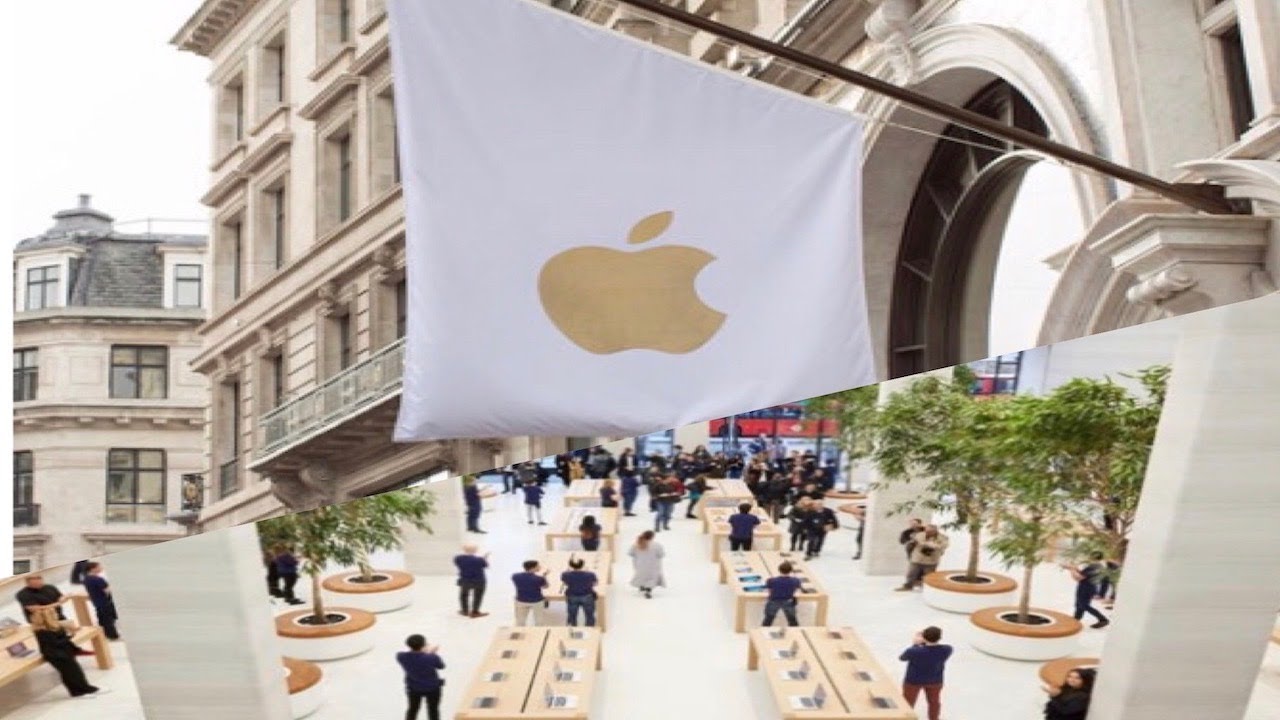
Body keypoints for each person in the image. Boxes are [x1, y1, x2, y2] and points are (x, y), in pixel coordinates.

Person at [30, 608, 104, 698]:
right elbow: (56, 643)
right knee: (69, 673)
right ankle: (77, 692)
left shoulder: (54, 626)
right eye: (54, 614)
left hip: (64, 651)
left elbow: (61, 638)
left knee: (76, 671)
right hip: (56, 655)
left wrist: (70, 633)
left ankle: (86, 688)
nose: (57, 615)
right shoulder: (42, 631)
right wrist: (70, 635)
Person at [899, 626, 952, 720]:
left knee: (908, 702)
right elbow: (933, 649)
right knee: (934, 702)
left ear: (924, 637)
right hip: (935, 680)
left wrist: (915, 644)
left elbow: (902, 658)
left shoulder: (913, 651)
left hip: (913, 681)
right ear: (939, 638)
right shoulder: (947, 650)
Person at [397, 634, 445, 720]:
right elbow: (441, 666)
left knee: (412, 709)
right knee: (433, 710)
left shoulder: (401, 656)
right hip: (432, 688)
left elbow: (414, 657)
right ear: (423, 645)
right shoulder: (432, 658)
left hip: (413, 688)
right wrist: (431, 653)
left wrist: (426, 653)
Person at [1063, 553, 1110, 628]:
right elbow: (1085, 574)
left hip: (1085, 588)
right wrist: (1075, 568)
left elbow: (1078, 577)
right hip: (1091, 587)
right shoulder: (1100, 566)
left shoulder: (1093, 566)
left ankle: (1103, 619)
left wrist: (1071, 569)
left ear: (1092, 557)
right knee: (1080, 604)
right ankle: (1076, 619)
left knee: (1083, 605)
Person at [897, 525, 949, 591]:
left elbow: (944, 545)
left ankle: (927, 589)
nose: (928, 533)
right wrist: (929, 544)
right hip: (917, 559)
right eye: (927, 531)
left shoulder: (943, 537)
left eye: (930, 531)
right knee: (911, 574)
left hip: (931, 561)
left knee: (929, 576)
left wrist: (931, 545)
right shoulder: (919, 535)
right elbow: (913, 541)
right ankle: (908, 586)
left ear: (935, 531)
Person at [81, 562, 120, 641]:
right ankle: (113, 636)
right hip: (105, 602)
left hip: (96, 602)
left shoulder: (86, 579)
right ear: (93, 569)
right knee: (108, 620)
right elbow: (107, 591)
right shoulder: (98, 579)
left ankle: (105, 635)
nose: (101, 568)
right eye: (99, 567)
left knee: (102, 619)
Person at [453, 545, 489, 618]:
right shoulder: (479, 559)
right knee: (478, 596)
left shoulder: (458, 558)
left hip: (465, 580)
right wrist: (484, 558)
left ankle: (465, 611)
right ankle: (475, 612)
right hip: (479, 580)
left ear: (464, 549)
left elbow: (458, 564)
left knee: (463, 595)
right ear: (475, 550)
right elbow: (486, 566)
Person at [560, 558, 599, 627]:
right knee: (589, 614)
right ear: (582, 565)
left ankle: (572, 628)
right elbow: (595, 583)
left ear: (571, 566)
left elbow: (565, 583)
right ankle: (589, 628)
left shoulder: (565, 574)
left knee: (572, 615)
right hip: (587, 596)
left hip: (572, 596)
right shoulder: (590, 574)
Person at [762, 561, 802, 627]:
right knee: (792, 619)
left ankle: (763, 631)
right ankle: (796, 632)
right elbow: (797, 592)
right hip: (788, 601)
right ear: (791, 571)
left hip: (774, 600)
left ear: (779, 570)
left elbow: (768, 591)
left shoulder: (771, 580)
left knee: (768, 619)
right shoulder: (796, 580)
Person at [628, 531, 666, 599]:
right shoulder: (657, 545)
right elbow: (661, 555)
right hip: (653, 566)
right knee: (651, 578)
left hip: (639, 565)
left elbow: (630, 553)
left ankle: (642, 586)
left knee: (641, 576)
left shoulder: (636, 545)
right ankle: (648, 590)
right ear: (652, 537)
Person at [512, 560, 549, 626]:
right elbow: (546, 586)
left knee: (520, 621)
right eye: (538, 566)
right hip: (536, 601)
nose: (539, 567)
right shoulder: (539, 579)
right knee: (539, 620)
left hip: (521, 600)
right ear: (533, 568)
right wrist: (544, 577)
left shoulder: (515, 576)